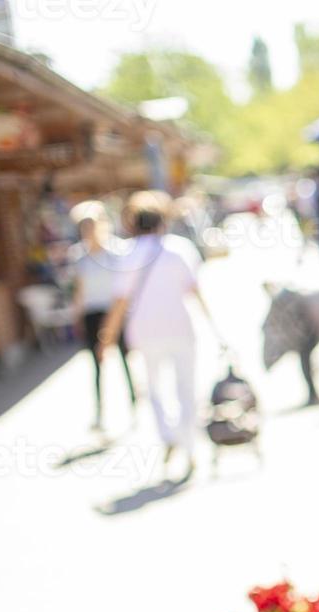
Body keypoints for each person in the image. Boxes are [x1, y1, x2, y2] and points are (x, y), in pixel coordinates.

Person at [98, 190, 216, 480]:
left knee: (154, 389)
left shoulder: (128, 255)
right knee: (185, 388)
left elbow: (120, 302)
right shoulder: (179, 249)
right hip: (180, 328)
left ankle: (169, 436)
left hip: (145, 332)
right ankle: (189, 446)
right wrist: (213, 326)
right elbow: (195, 292)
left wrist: (107, 337)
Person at [68, 201, 136, 432]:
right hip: (91, 314)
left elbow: (125, 289)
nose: (88, 232)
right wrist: (76, 316)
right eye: (84, 227)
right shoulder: (79, 256)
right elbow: (79, 290)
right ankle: (100, 412)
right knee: (97, 366)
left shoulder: (117, 251)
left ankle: (134, 404)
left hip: (115, 312)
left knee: (126, 360)